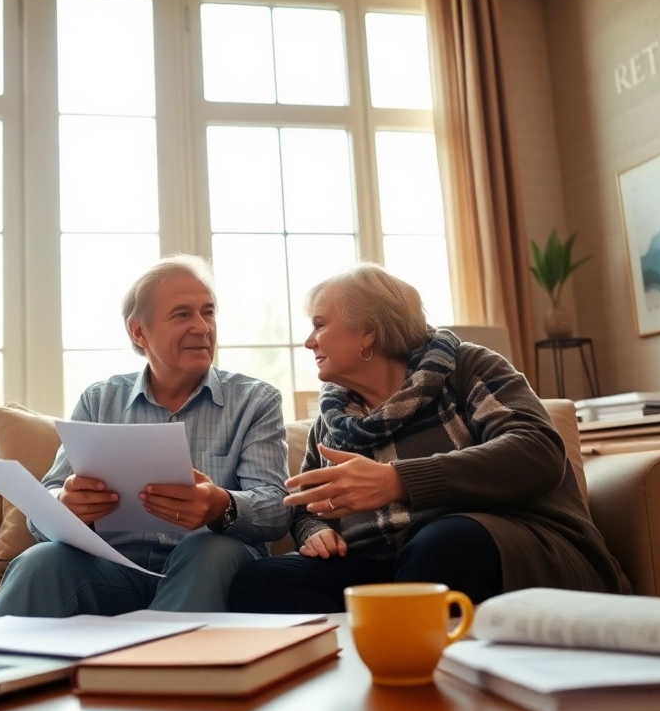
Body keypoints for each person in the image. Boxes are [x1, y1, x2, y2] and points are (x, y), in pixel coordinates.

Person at [228, 263, 629, 613]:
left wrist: (398, 480)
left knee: (442, 543)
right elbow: (304, 504)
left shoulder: (465, 368)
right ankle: (377, 658)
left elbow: (536, 450)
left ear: (368, 332)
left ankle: (413, 661)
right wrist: (313, 532)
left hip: (507, 544)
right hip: (383, 565)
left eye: (319, 324)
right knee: (260, 582)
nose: (309, 341)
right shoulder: (334, 418)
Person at [0, 255, 291, 617]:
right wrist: (64, 504)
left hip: (210, 565)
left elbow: (276, 510)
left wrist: (220, 504)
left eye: (207, 312)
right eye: (182, 314)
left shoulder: (256, 400)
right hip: (114, 570)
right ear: (138, 332)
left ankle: (162, 669)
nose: (202, 327)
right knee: (41, 560)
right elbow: (42, 514)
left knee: (210, 549)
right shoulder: (99, 401)